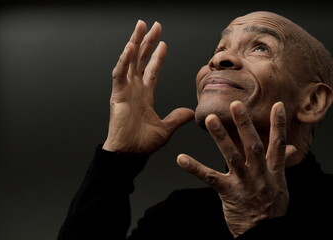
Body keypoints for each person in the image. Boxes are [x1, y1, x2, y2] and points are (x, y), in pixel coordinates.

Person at [57, 11, 333, 239]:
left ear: (312, 102)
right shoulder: (176, 216)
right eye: (220, 48)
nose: (218, 59)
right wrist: (116, 162)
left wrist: (258, 226)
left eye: (260, 47)